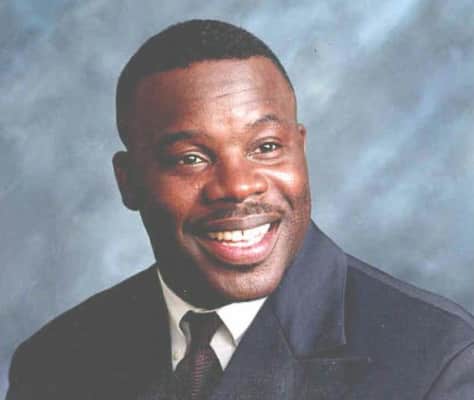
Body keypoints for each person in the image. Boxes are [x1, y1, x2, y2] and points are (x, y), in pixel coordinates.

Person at [6, 19, 474, 400]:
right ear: (128, 181)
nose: (238, 185)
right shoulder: (53, 363)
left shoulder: (439, 360)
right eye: (191, 158)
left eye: (266, 147)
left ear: (300, 149)